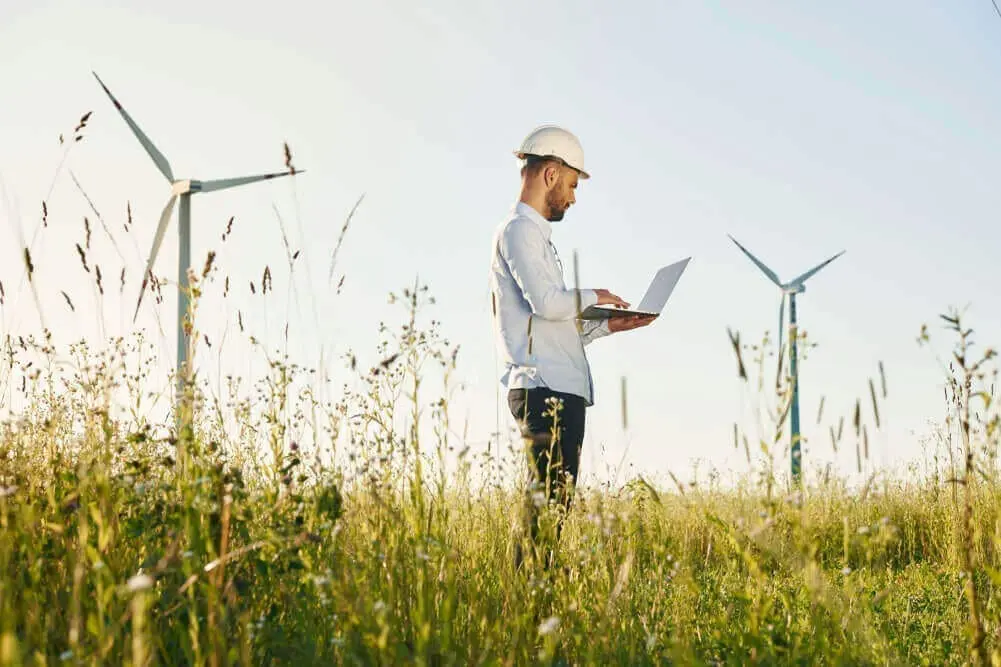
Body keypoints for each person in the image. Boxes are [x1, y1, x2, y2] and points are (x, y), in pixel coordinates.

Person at [488, 124, 656, 569]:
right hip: (544, 389)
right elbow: (548, 304)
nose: (574, 197)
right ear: (551, 174)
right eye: (573, 184)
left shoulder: (535, 238)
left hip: (557, 386)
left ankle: (534, 595)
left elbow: (550, 324)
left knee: (553, 509)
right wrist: (595, 296)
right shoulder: (519, 233)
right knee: (544, 509)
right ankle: (526, 599)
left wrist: (608, 327)